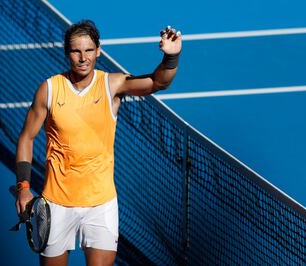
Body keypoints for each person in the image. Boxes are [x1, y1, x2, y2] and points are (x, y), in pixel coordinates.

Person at [14, 19, 182, 266]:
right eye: (76, 51)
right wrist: (24, 187)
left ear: (99, 50)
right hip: (56, 205)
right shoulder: (49, 90)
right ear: (67, 53)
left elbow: (158, 82)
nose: (83, 58)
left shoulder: (112, 85)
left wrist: (171, 58)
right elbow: (27, 137)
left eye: (89, 50)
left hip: (100, 205)